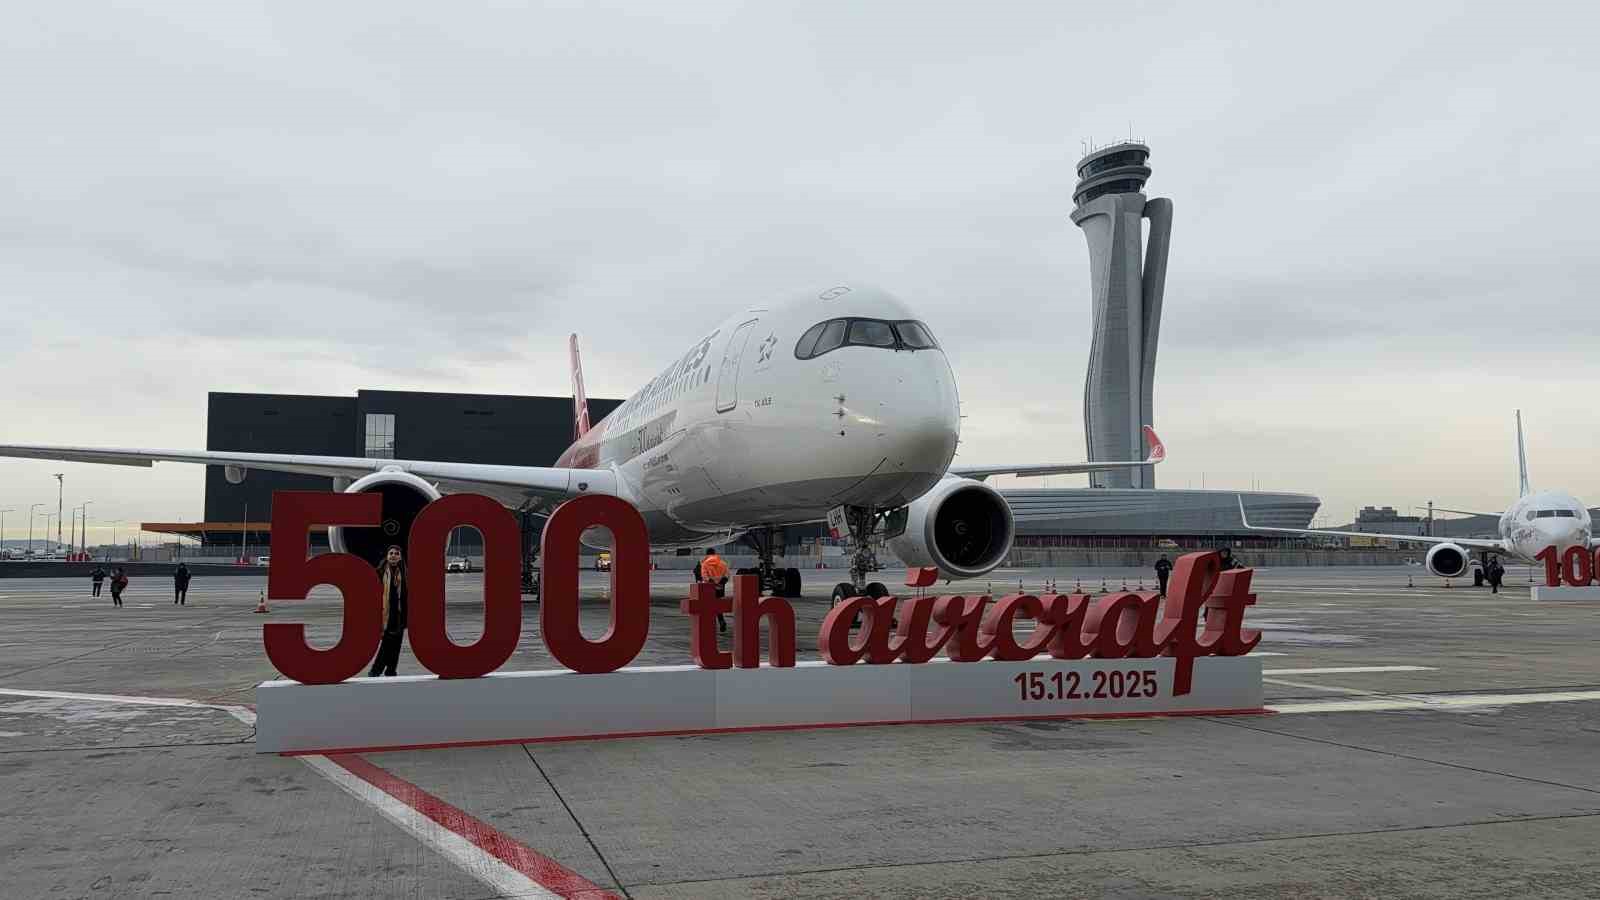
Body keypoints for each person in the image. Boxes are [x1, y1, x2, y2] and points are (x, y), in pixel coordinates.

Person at [368, 545, 408, 677]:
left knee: (397, 644)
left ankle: (391, 670)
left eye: (396, 553)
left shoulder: (404, 572)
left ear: (400, 557)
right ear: (387, 556)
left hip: (399, 613)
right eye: (391, 553)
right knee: (386, 643)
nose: (393, 555)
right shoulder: (379, 572)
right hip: (386, 612)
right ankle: (375, 670)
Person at [699, 548, 730, 633]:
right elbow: (727, 575)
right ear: (714, 553)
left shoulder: (705, 563)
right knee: (718, 605)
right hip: (720, 587)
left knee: (708, 607)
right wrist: (721, 583)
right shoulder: (722, 563)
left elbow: (704, 576)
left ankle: (709, 626)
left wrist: (712, 582)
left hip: (709, 588)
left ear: (707, 554)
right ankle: (721, 621)